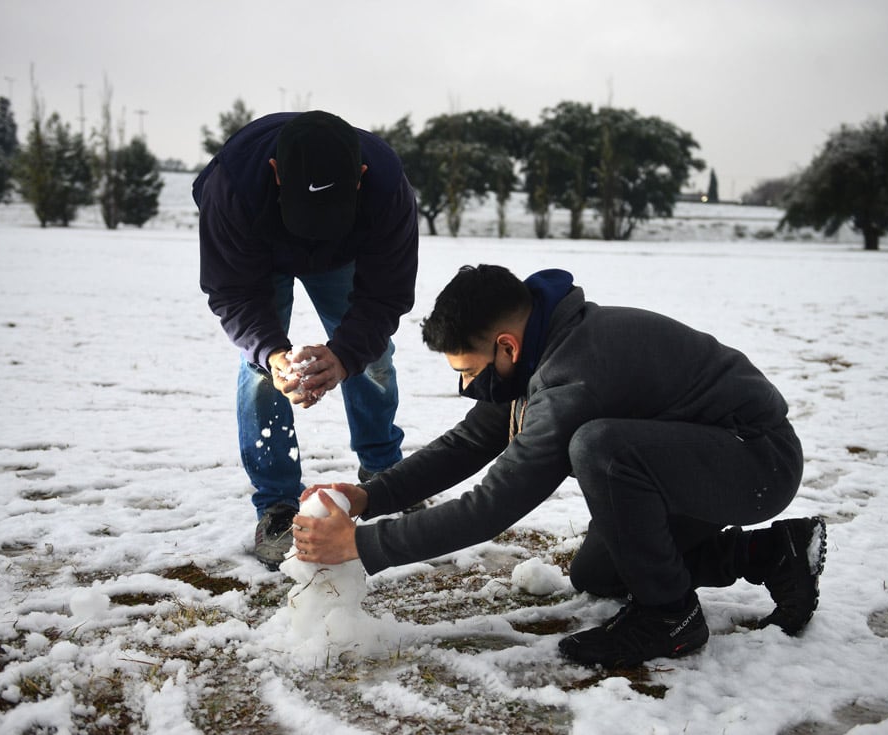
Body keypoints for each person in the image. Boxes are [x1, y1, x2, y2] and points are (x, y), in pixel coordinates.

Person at [290, 264, 826, 669]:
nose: (465, 386)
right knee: (600, 573)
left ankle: (671, 620)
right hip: (701, 460)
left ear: (505, 344)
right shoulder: (544, 346)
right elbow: (469, 442)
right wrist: (372, 496)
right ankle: (771, 554)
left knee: (600, 447)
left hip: (755, 460)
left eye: (469, 371)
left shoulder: (573, 377)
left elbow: (493, 504)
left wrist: (363, 547)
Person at [193, 110, 418, 571]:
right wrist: (272, 353)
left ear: (360, 177)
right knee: (261, 372)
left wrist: (344, 355)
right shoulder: (231, 187)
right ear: (276, 173)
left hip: (345, 257)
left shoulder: (388, 186)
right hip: (259, 252)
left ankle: (384, 476)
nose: (314, 223)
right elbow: (233, 292)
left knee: (371, 356)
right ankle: (276, 507)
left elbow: (386, 294)